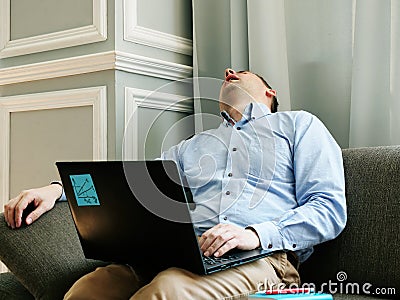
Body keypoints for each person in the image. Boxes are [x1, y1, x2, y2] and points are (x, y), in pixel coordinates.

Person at [3, 68, 347, 299]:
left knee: (167, 291)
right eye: (227, 74)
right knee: (88, 290)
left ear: (270, 92)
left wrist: (253, 233)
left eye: (240, 73)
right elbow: (129, 187)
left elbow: (329, 210)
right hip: (174, 257)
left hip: (261, 260)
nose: (228, 73)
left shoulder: (299, 126)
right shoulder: (192, 146)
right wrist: (58, 190)